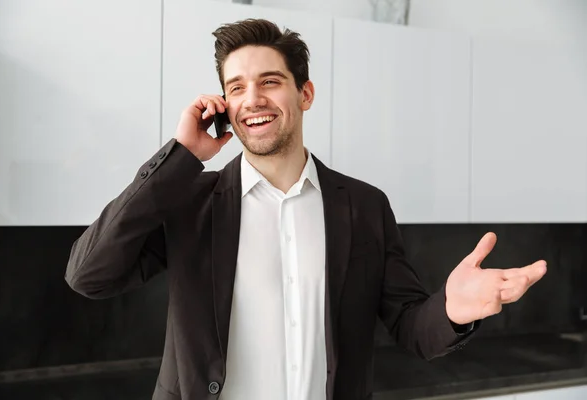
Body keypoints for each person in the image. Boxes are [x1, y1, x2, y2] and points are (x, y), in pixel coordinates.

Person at [65, 18, 547, 400]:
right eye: (235, 87)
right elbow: (90, 275)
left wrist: (453, 310)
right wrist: (180, 157)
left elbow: (410, 327)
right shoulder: (190, 201)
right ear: (224, 105)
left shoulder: (364, 206)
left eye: (269, 81)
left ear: (305, 94)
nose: (252, 98)